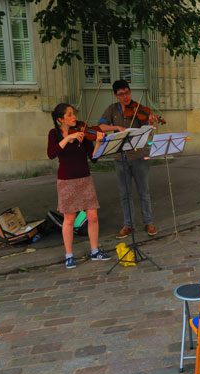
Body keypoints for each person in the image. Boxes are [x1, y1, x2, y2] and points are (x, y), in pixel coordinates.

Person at [47, 103, 111, 269]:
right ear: (60, 119)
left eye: (74, 113)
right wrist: (68, 138)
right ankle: (69, 255)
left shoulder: (83, 131)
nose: (74, 116)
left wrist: (98, 142)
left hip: (85, 179)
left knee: (93, 216)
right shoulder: (54, 134)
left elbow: (94, 158)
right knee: (69, 219)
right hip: (66, 181)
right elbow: (51, 154)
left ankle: (95, 251)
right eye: (69, 114)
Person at [98, 79, 157, 239]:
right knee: (125, 193)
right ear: (116, 95)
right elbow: (101, 127)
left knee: (144, 191)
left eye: (127, 92)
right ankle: (128, 224)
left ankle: (148, 222)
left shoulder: (140, 109)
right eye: (121, 94)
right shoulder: (112, 110)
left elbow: (148, 132)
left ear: (130, 91)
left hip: (139, 156)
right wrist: (116, 127)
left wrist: (150, 124)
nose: (125, 97)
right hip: (120, 157)